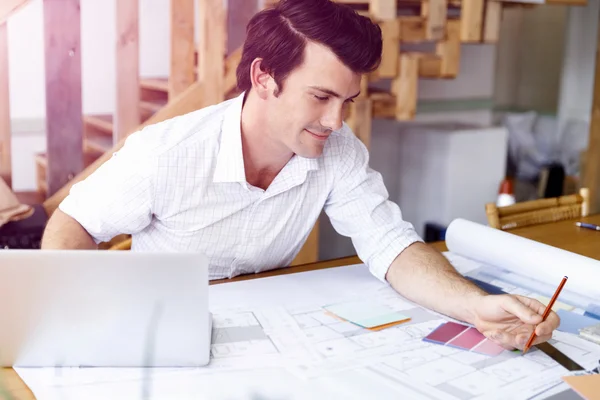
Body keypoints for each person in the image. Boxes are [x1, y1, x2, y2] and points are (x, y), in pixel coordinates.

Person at [42, 0, 559, 351]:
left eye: (347, 101)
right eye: (321, 97)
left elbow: (392, 247)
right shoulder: (165, 152)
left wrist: (476, 304)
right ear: (263, 77)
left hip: (269, 332)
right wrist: (88, 317)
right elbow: (74, 224)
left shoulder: (339, 151)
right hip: (165, 328)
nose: (336, 122)